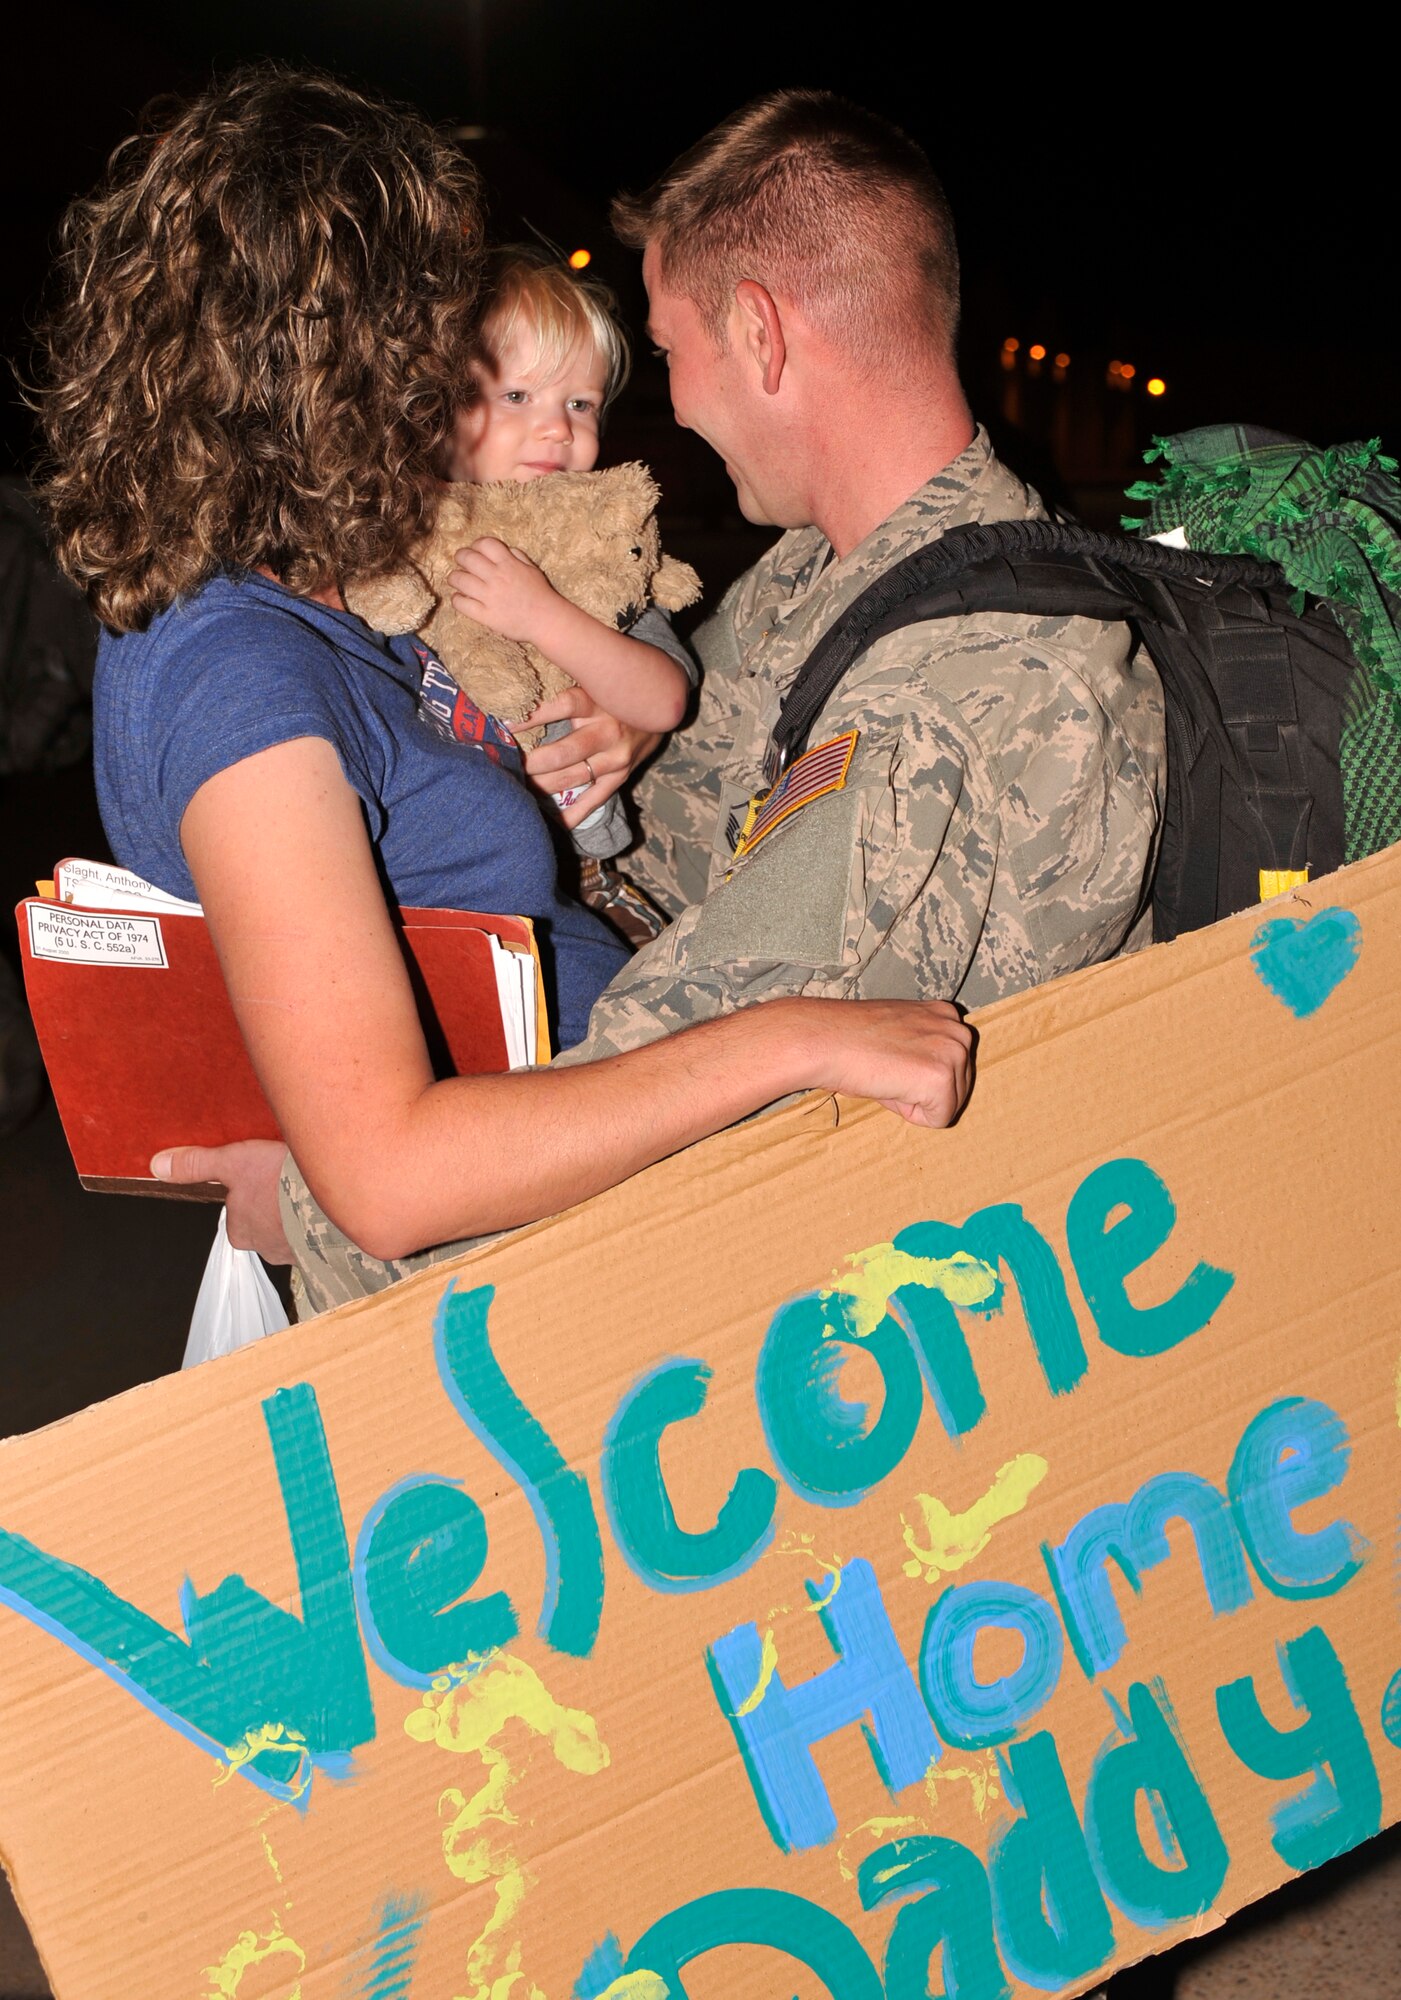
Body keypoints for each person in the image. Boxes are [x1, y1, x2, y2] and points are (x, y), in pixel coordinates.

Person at [34, 68, 974, 1298]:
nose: (464, 375)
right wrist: (783, 1042)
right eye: (442, 342)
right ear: (332, 370)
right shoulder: (237, 677)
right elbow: (388, 1174)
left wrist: (617, 729)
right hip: (497, 1293)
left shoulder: (330, 594)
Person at [247, 88, 1162, 1314]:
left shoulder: (948, 703)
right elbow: (669, 825)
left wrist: (308, 1198)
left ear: (763, 334)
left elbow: (680, 1069)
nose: (667, 405)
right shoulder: (829, 570)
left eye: (673, 353)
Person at [442, 245, 695, 901]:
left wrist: (543, 616)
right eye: (519, 395)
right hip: (434, 872)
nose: (556, 427)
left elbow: (663, 699)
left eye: (580, 404)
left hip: (569, 878)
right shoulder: (398, 538)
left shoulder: (600, 548)